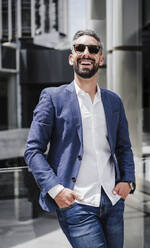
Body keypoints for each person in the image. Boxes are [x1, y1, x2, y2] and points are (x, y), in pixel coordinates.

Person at [24, 29, 135, 248]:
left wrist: (127, 180)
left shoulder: (114, 101)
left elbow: (124, 147)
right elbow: (32, 151)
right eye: (79, 48)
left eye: (93, 49)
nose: (86, 53)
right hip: (76, 204)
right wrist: (56, 190)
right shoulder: (53, 98)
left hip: (113, 201)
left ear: (100, 59)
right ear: (71, 57)